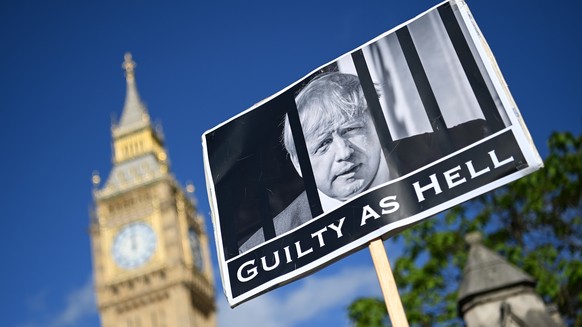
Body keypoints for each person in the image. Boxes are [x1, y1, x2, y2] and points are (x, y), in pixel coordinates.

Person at [239, 72, 390, 253]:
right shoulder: (266, 246)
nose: (344, 152)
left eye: (351, 129)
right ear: (299, 165)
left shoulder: (430, 152)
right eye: (323, 143)